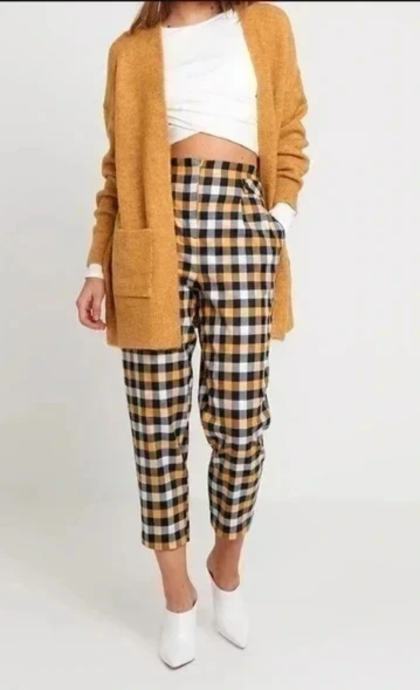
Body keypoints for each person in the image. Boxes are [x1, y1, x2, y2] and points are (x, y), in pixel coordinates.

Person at [75, 0, 309, 669]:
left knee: (240, 420)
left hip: (241, 222)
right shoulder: (131, 51)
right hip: (152, 236)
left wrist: (278, 218)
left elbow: (291, 128)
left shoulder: (264, 24)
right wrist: (96, 266)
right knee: (157, 427)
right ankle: (177, 598)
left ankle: (224, 567)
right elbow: (117, 171)